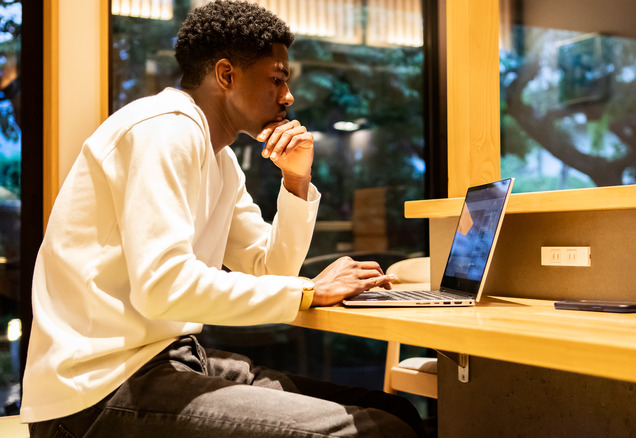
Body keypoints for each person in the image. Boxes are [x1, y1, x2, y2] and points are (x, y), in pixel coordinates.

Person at [20, 1, 425, 437]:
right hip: (95, 391)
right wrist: (309, 291)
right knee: (374, 431)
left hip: (168, 359)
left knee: (396, 413)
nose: (288, 96)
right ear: (227, 75)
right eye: (277, 78)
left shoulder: (221, 159)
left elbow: (271, 270)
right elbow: (164, 288)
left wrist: (296, 180)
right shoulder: (165, 129)